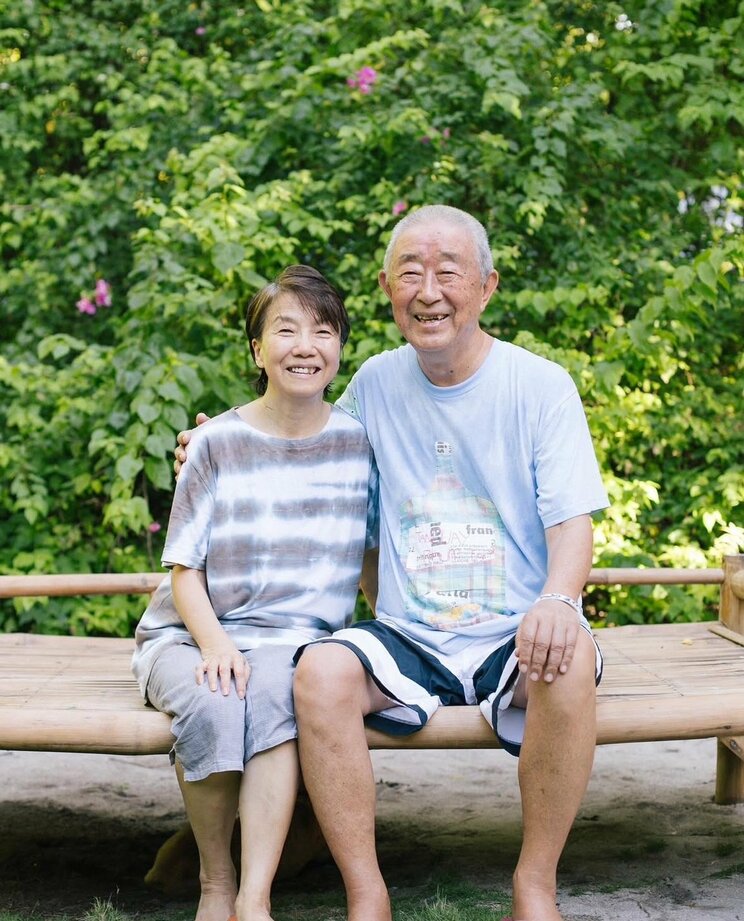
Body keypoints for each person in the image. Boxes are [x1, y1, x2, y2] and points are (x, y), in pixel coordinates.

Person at [175, 205, 608, 921]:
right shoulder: (374, 383)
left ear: (488, 285)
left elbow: (573, 522)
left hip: (514, 627)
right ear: (385, 287)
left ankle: (535, 884)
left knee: (567, 653)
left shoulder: (540, 386)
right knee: (319, 670)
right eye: (411, 271)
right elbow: (299, 433)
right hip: (408, 630)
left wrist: (560, 599)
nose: (428, 289)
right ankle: (366, 891)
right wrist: (216, 441)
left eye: (448, 271)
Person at [133, 265, 378, 921]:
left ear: (339, 347)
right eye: (286, 329)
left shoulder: (358, 443)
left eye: (322, 330)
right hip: (190, 632)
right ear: (256, 350)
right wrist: (214, 644)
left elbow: (374, 556)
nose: (305, 345)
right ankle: (216, 883)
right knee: (218, 696)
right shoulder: (216, 443)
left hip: (292, 644)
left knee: (272, 692)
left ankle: (254, 897)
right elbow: (184, 570)